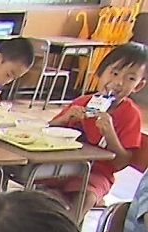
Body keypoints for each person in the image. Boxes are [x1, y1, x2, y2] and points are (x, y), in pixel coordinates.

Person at [38, 42, 148, 220]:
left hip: (96, 174)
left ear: (138, 85)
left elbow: (121, 163)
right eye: (114, 73)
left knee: (86, 195)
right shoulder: (82, 101)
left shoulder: (130, 115)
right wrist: (63, 120)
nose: (118, 82)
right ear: (100, 73)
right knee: (36, 190)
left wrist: (110, 134)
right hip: (61, 166)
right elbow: (45, 132)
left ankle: (69, 230)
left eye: (130, 78)